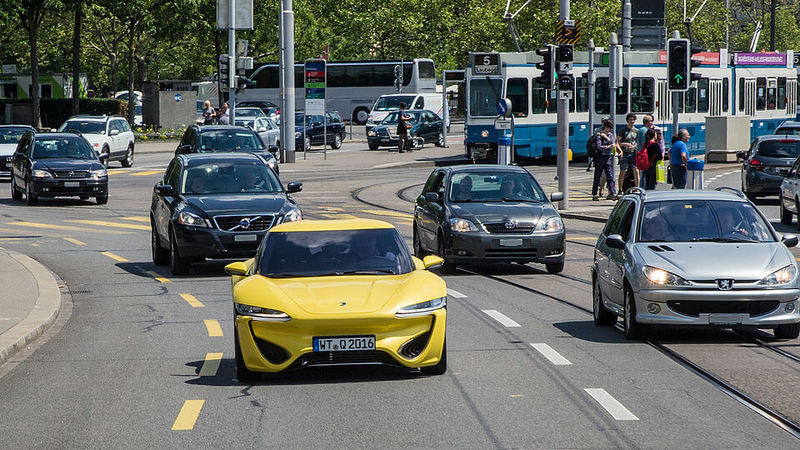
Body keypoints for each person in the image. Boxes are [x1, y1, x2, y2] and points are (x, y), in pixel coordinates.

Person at [592, 119, 619, 201]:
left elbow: (613, 143)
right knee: (597, 176)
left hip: (608, 157)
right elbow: (599, 146)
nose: (610, 130)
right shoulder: (598, 135)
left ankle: (612, 193)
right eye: (609, 128)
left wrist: (608, 139)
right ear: (605, 127)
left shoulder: (610, 135)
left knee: (610, 176)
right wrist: (607, 146)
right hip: (600, 157)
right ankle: (594, 194)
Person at [637, 114, 664, 186]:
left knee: (644, 175)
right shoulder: (645, 131)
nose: (652, 123)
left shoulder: (641, 130)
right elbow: (644, 143)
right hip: (646, 159)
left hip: (643, 157)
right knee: (647, 178)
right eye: (651, 121)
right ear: (647, 122)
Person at [617, 113, 640, 189]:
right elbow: (617, 142)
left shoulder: (637, 131)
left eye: (633, 120)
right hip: (625, 154)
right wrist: (625, 144)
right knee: (623, 171)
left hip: (633, 153)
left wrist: (635, 145)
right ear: (627, 121)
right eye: (630, 120)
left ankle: (637, 187)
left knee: (636, 170)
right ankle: (620, 189)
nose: (632, 121)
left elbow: (638, 141)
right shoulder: (623, 131)